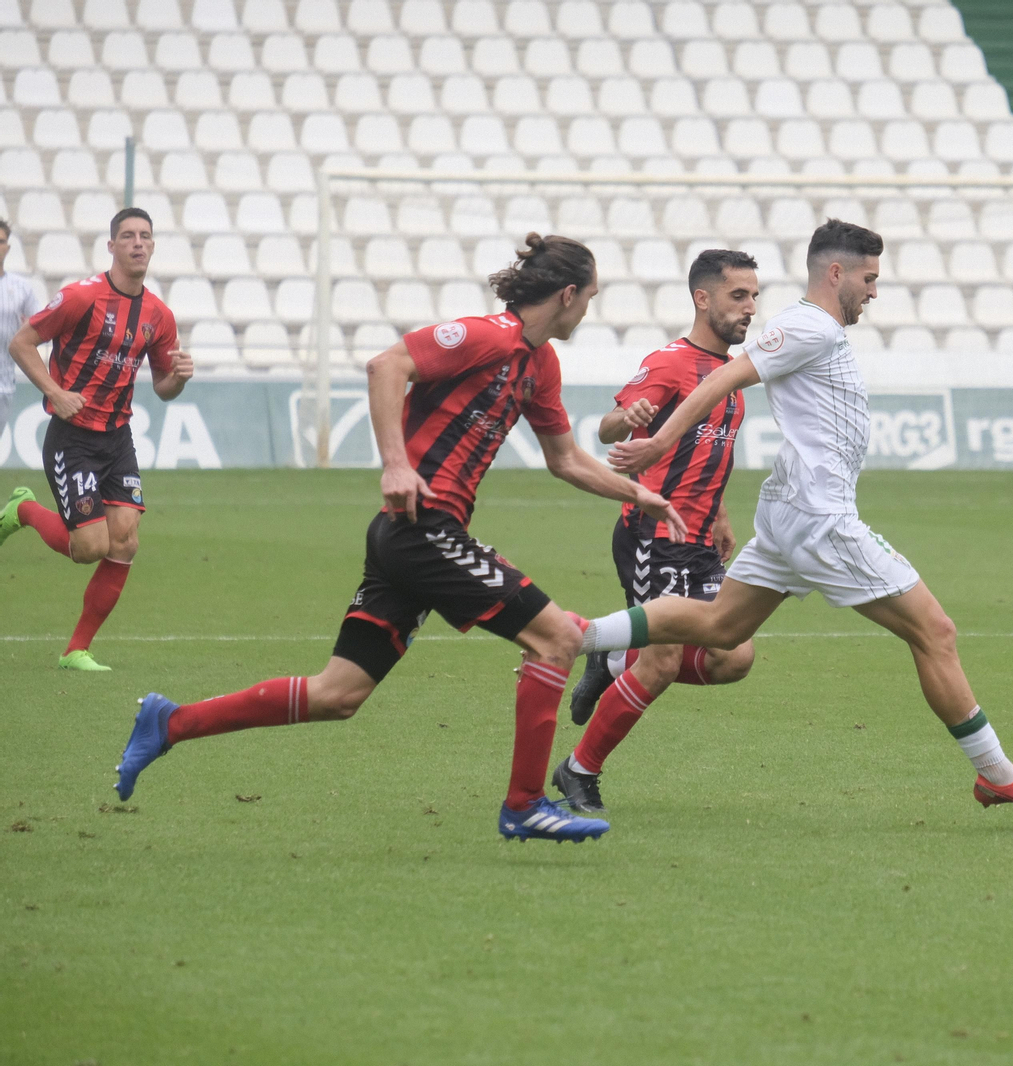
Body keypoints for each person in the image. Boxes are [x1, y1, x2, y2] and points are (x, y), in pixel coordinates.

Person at [111, 233, 688, 845]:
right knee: (557, 640)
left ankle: (169, 723)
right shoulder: (485, 335)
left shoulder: (540, 366)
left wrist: (637, 493)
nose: (588, 310)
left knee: (338, 693)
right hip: (421, 527)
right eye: (590, 298)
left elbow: (566, 458)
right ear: (568, 295)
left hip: (416, 536)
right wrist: (394, 463)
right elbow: (387, 365)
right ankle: (524, 805)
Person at [573, 219, 1013, 811]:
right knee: (935, 631)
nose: (873, 291)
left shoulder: (812, 330)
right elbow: (725, 374)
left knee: (721, 634)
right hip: (820, 520)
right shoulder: (807, 326)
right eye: (869, 279)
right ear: (836, 272)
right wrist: (660, 443)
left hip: (791, 513)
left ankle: (583, 638)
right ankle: (996, 775)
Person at [555, 249, 760, 813]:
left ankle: (614, 659)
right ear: (703, 298)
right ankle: (579, 770)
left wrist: (719, 513)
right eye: (738, 295)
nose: (750, 307)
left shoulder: (733, 373)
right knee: (665, 660)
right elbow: (604, 428)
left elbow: (713, 451)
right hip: (654, 532)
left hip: (699, 540)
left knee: (733, 656)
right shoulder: (671, 362)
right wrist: (631, 417)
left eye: (754, 296)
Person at [0, 207, 193, 670]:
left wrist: (181, 378)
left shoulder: (158, 315)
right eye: (128, 236)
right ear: (112, 246)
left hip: (117, 438)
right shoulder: (80, 297)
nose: (138, 243)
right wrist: (54, 392)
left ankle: (76, 650)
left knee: (125, 540)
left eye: (145, 236)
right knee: (89, 548)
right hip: (73, 438)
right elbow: (21, 343)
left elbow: (165, 388)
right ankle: (23, 510)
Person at [0, 218, 42, 444]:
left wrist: (31, 328)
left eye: (1, 241)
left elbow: (42, 330)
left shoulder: (21, 288)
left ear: (8, 247)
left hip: (4, 384)